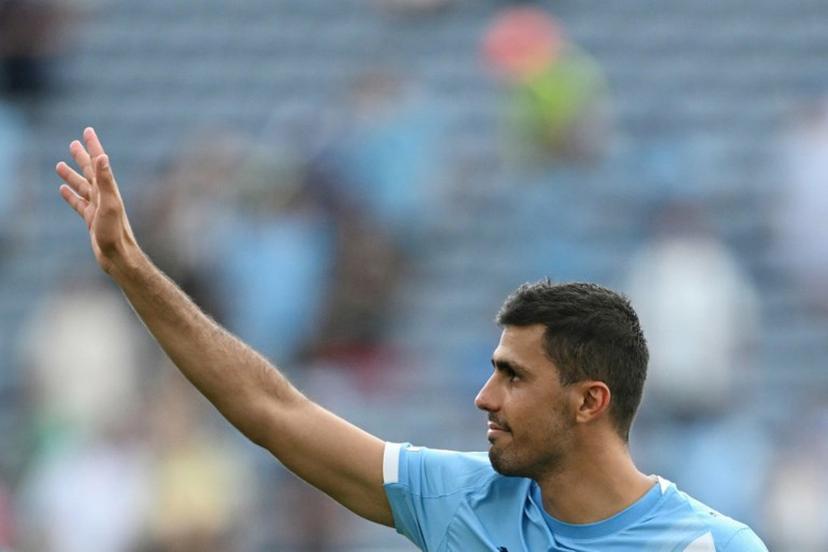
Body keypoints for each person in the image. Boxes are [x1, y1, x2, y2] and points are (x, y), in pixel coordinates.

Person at [56, 127, 768, 551]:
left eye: (515, 377)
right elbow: (275, 414)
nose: (484, 398)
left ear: (589, 402)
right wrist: (132, 269)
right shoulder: (464, 499)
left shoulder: (711, 546)